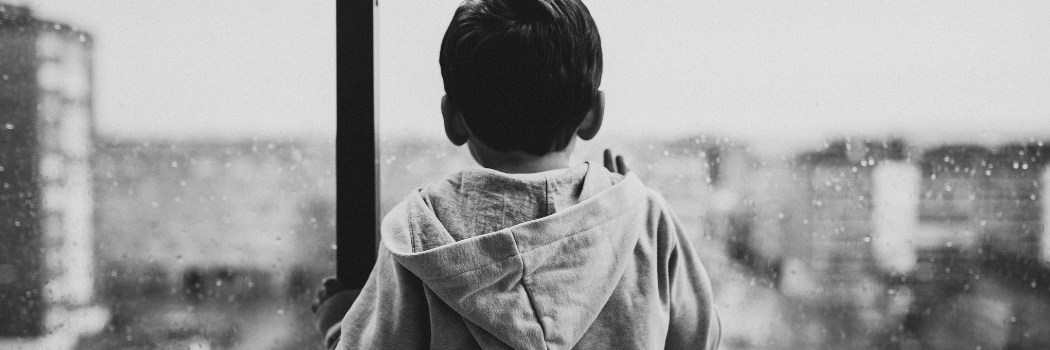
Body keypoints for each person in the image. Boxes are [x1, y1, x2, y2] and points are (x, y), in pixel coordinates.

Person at [314, 0, 720, 348]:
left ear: (452, 119)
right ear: (593, 115)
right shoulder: (647, 217)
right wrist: (621, 208)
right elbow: (701, 338)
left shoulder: (419, 231)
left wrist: (337, 320)